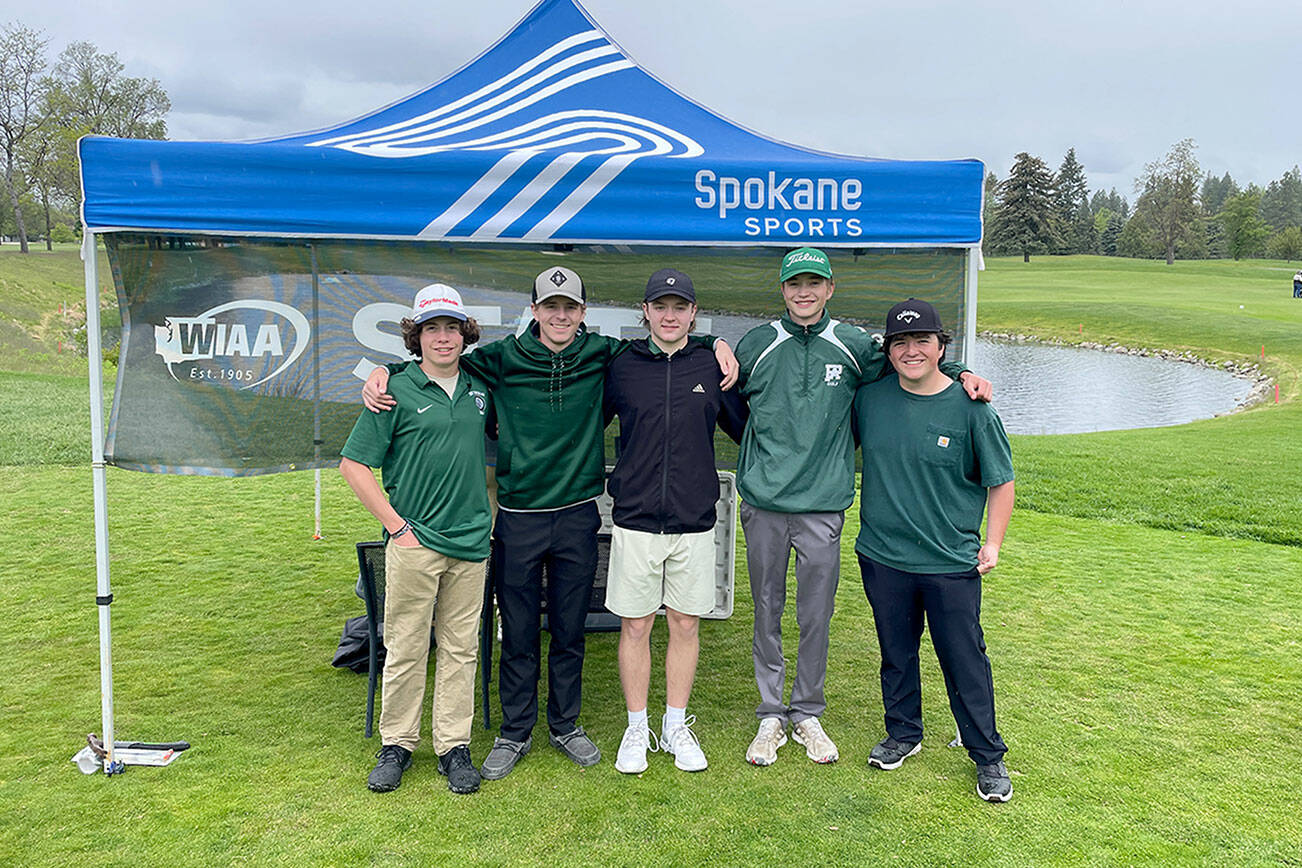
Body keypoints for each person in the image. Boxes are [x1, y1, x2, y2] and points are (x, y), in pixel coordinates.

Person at [362, 267, 737, 780]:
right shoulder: (501, 358)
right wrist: (385, 370)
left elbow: (667, 342)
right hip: (519, 517)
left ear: (583, 313)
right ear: (535, 310)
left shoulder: (603, 354)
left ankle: (565, 724)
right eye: (551, 306)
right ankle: (515, 732)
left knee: (568, 630)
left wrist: (716, 342)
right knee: (518, 632)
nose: (561, 316)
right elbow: (439, 361)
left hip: (578, 513)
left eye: (570, 308)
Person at [733, 247, 992, 767]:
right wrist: (712, 344)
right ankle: (770, 713)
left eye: (814, 283)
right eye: (794, 284)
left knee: (815, 615)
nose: (804, 293)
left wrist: (962, 371)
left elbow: (912, 362)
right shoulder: (756, 343)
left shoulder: (853, 345)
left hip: (823, 506)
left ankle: (806, 712)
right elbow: (726, 393)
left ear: (830, 289)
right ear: (782, 290)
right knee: (766, 609)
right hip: (764, 503)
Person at [854, 297, 1015, 803]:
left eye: (922, 340)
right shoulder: (869, 399)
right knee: (896, 654)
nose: (911, 351)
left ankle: (986, 755)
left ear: (942, 346)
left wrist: (993, 543)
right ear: (888, 350)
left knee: (964, 658)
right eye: (900, 342)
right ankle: (903, 733)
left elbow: (1001, 481)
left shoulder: (973, 409)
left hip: (949, 562)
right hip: (883, 556)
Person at [339, 284, 493, 795]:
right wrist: (397, 527)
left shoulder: (480, 388)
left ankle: (453, 746)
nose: (443, 337)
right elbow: (353, 465)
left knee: (461, 649)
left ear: (465, 333)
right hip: (415, 542)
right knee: (405, 646)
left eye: (452, 327)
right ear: (416, 336)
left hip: (471, 543)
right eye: (432, 329)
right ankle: (397, 744)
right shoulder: (393, 389)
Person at [602, 269, 747, 774]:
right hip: (636, 519)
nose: (669, 316)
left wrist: (718, 344)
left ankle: (675, 725)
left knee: (685, 623)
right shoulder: (621, 366)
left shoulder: (711, 363)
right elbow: (586, 420)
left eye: (679, 307)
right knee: (636, 624)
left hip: (694, 520)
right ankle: (636, 727)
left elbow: (747, 427)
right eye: (660, 306)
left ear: (693, 313)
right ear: (644, 312)